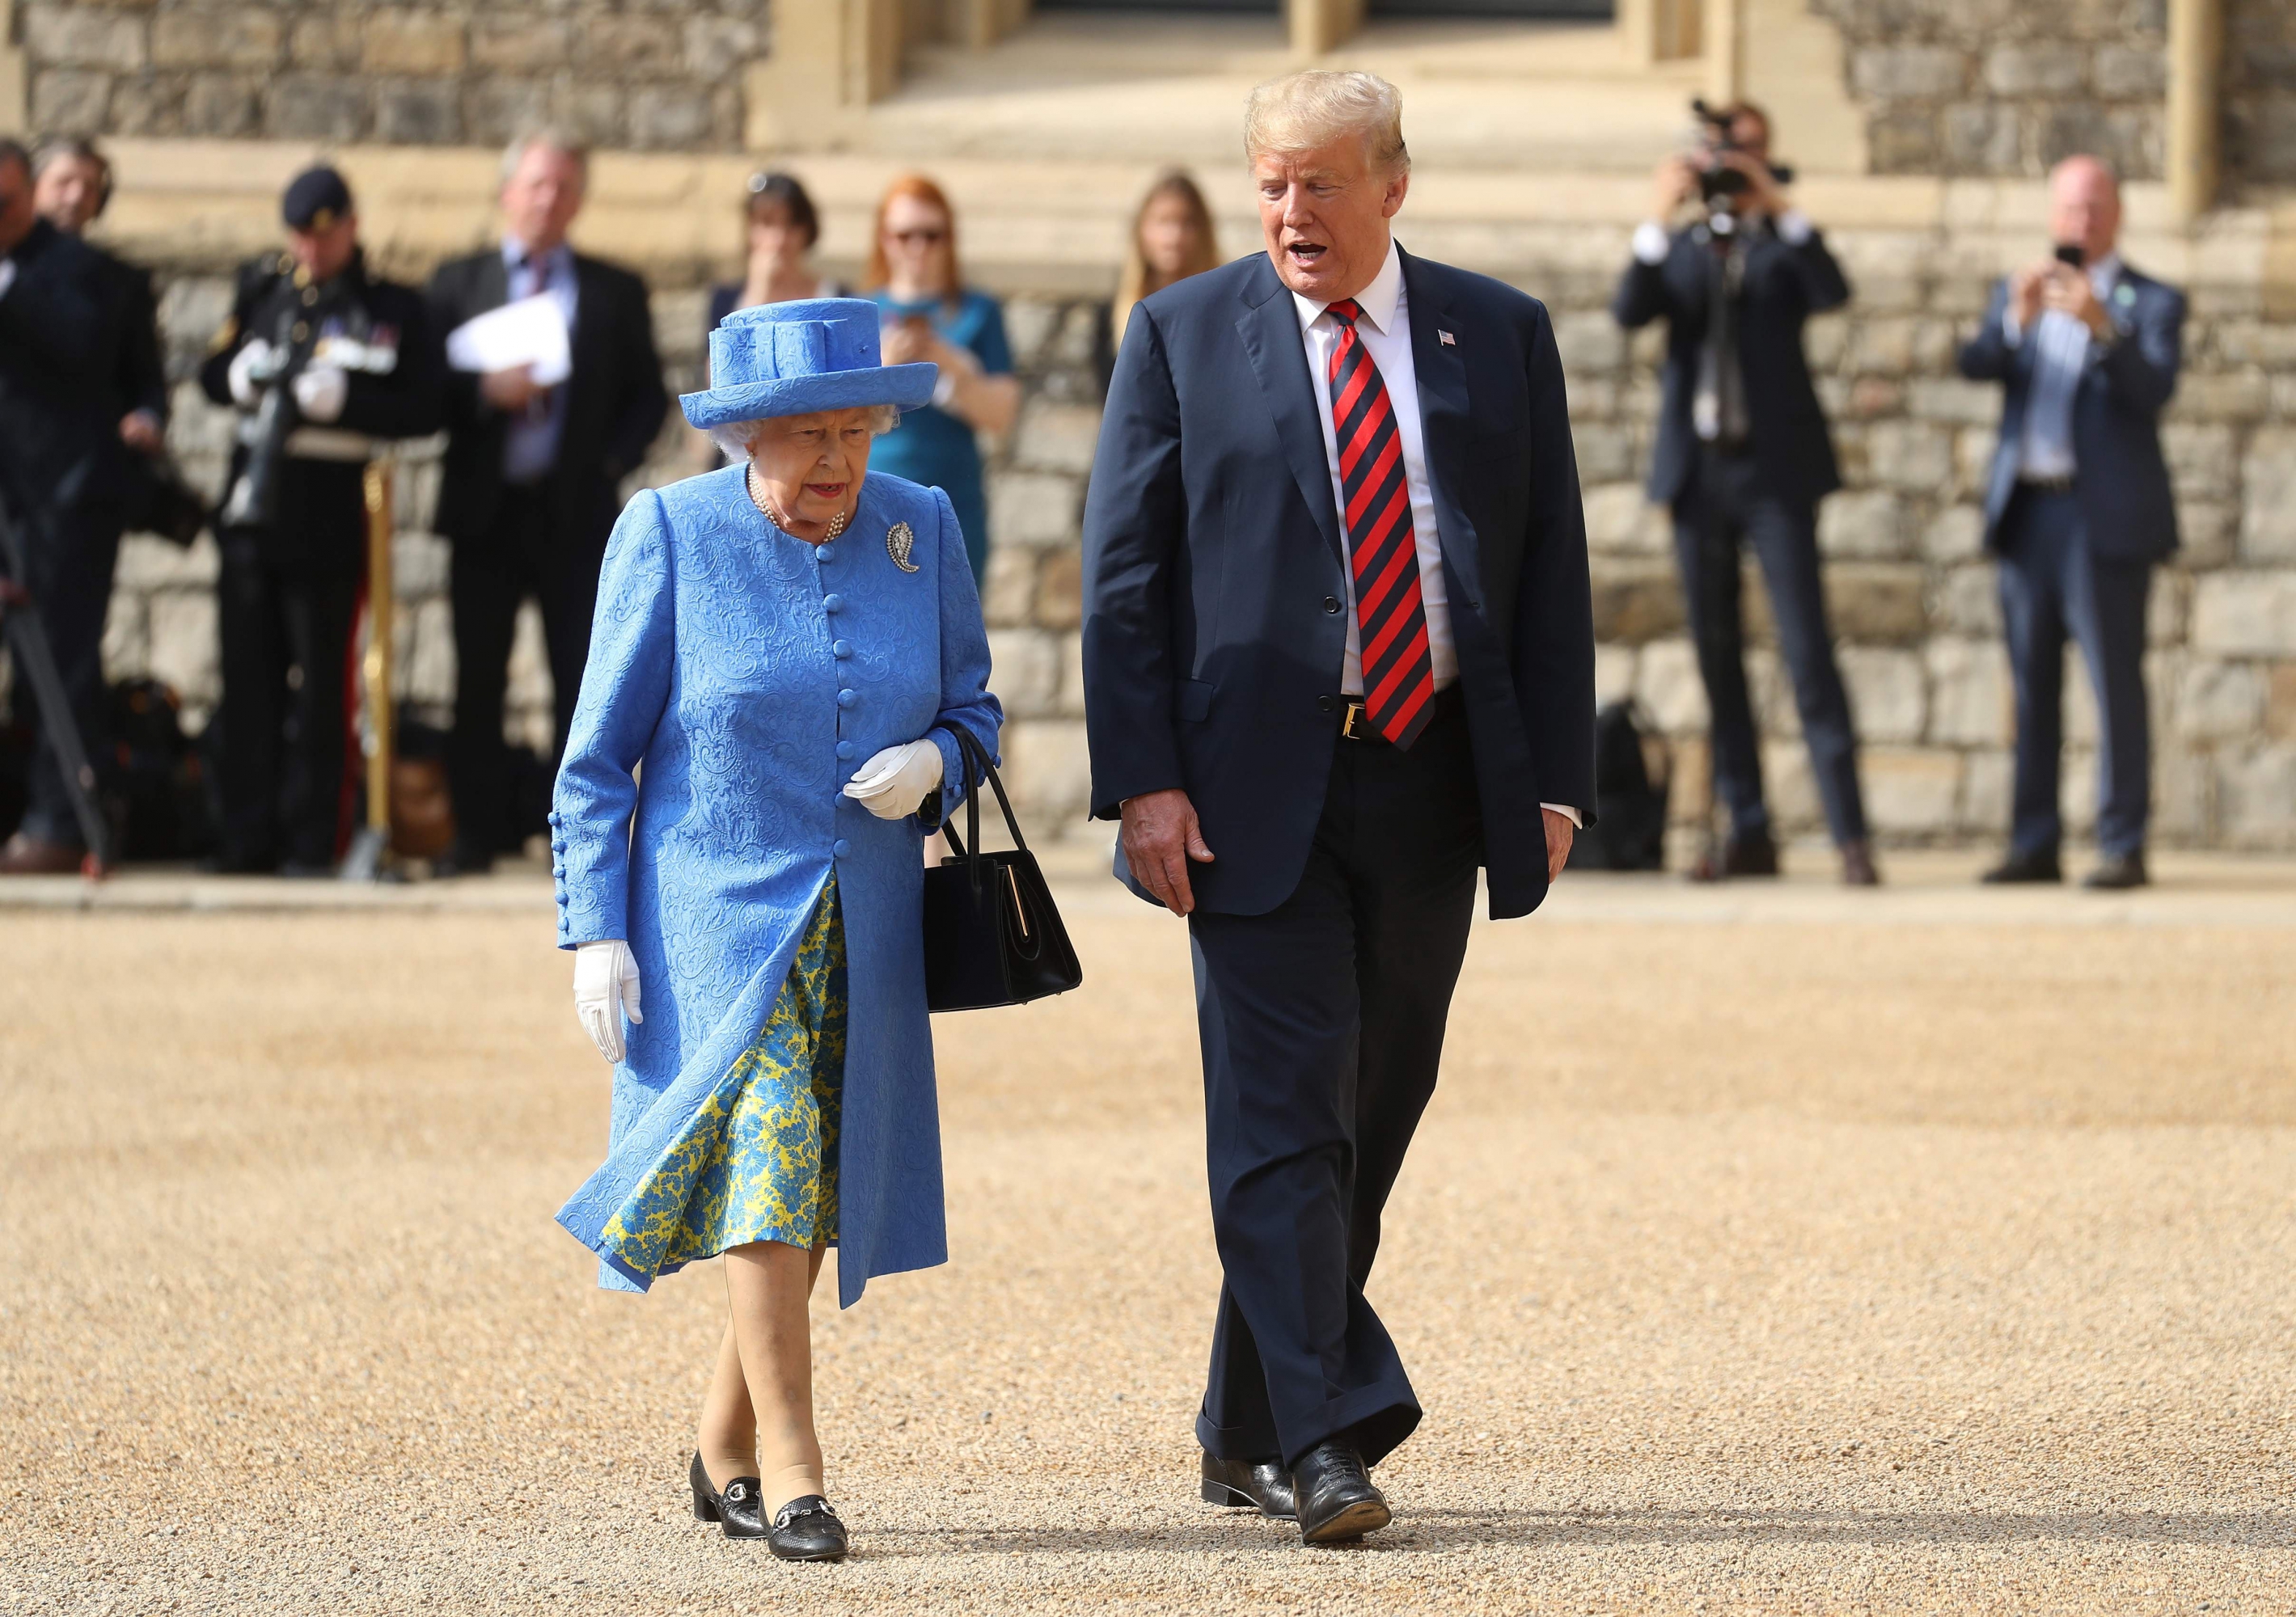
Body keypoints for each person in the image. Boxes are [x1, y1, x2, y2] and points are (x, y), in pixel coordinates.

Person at [1081, 71, 1594, 1545]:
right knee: (1281, 1114)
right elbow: (1122, 581)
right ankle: (1321, 1439)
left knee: (1369, 1114)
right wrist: (1141, 783)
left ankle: (1241, 1424)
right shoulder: (1179, 334)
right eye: (1269, 184)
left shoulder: (1498, 331)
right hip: (1244, 796)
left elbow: (1547, 564)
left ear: (1391, 185)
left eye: (1318, 183)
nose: (1289, 211)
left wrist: (1553, 777)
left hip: (1433, 778)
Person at [549, 298, 1000, 1560]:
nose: (838, 461)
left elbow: (975, 713)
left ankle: (721, 1445)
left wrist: (936, 762)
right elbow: (594, 765)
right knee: (772, 1147)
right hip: (715, 929)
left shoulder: (921, 525)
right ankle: (796, 1475)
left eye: (855, 430)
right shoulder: (668, 533)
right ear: (745, 436)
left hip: (868, 925)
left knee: (805, 1186)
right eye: (808, 435)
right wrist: (594, 930)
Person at [1612, 101, 1877, 886]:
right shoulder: (1686, 248)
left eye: (1748, 153)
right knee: (1715, 653)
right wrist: (1659, 214)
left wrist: (1778, 207)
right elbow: (1630, 308)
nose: (1733, 167)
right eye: (1723, 154)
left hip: (1775, 473)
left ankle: (1850, 835)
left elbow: (1830, 290)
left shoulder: (1781, 249)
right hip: (1699, 474)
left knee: (1806, 649)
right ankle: (1747, 829)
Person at [427, 129, 668, 876]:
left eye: (563, 186)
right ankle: (474, 834)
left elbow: (648, 397)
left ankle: (576, 842)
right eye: (535, 184)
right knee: (477, 678)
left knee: (582, 680)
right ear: (508, 193)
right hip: (485, 512)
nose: (548, 199)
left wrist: (607, 464)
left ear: (579, 200)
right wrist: (483, 392)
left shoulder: (612, 289)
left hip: (574, 515)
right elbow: (422, 390)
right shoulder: (457, 282)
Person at [197, 166, 443, 875]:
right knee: (247, 679)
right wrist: (238, 377)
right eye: (301, 236)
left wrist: (349, 404)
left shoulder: (389, 304)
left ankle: (313, 841)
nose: (312, 248)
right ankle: (246, 837)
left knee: (323, 685)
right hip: (254, 503)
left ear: (351, 228)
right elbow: (210, 374)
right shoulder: (263, 290)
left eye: (325, 235)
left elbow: (424, 406)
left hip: (331, 507)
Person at [1959, 157, 2183, 891]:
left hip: (2100, 518)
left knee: (2113, 684)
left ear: (2116, 214)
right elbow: (1974, 364)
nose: (2079, 222)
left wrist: (2103, 329)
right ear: (2051, 215)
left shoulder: (2149, 299)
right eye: (2068, 209)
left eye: (2092, 208)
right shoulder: (2019, 290)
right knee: (2030, 685)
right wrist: (2012, 323)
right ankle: (2034, 842)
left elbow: (2154, 390)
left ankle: (2121, 843)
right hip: (2028, 510)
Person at [0, 138, 124, 874]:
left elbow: (80, 344)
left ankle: (58, 821)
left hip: (63, 500)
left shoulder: (77, 267)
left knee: (61, 660)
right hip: (10, 493)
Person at [860, 175, 1020, 583]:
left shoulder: (978, 311)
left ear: (949, 238)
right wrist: (884, 367)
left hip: (953, 502)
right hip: (870, 499)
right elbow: (836, 412)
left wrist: (947, 365)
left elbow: (1002, 416)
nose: (918, 247)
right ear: (884, 239)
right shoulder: (860, 312)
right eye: (905, 235)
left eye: (931, 235)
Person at [691, 171, 845, 470]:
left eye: (791, 224)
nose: (779, 239)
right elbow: (715, 380)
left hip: (818, 455)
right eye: (766, 224)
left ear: (807, 230)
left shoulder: (834, 295)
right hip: (739, 459)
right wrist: (759, 291)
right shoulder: (727, 299)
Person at [1110, 170, 1222, 357]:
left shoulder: (1226, 311)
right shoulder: (1109, 321)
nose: (1174, 238)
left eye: (1187, 223)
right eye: (1163, 222)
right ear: (1141, 229)